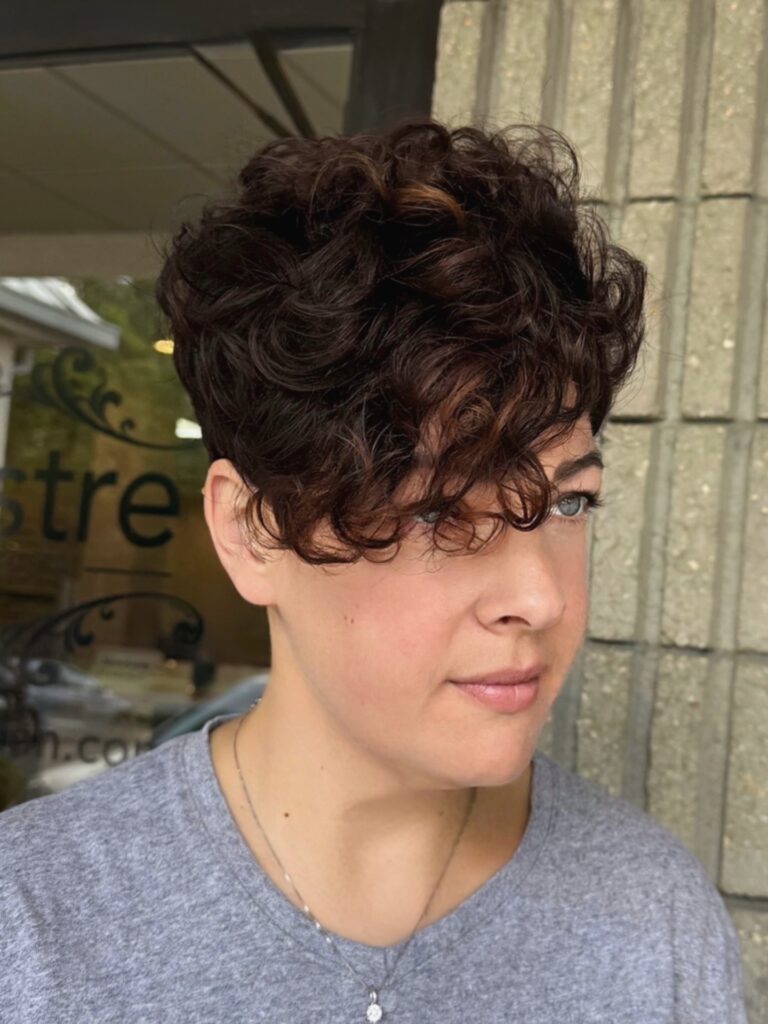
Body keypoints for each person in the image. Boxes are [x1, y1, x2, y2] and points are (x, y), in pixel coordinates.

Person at [0, 117, 747, 1023]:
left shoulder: (654, 925)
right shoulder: (33, 924)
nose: (540, 597)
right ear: (253, 531)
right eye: (437, 513)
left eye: (566, 504)